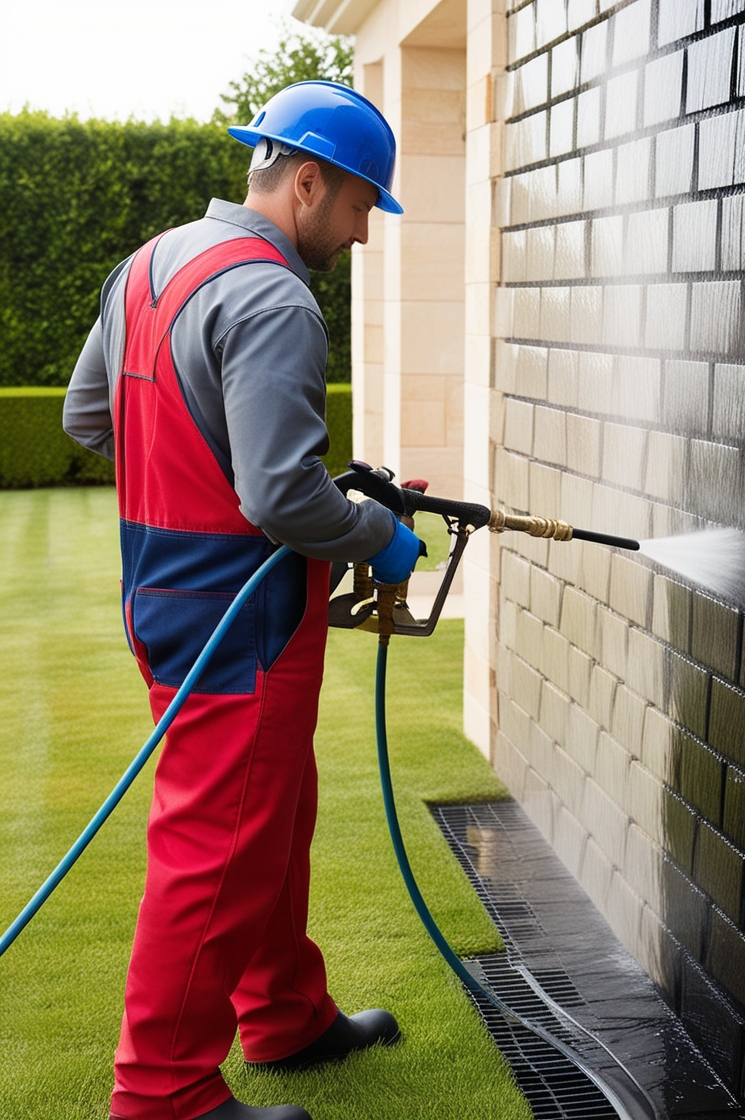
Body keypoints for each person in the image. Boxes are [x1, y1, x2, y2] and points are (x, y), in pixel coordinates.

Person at [63, 81, 421, 1120]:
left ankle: (283, 1014)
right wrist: (381, 537)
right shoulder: (272, 295)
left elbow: (93, 416)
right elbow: (278, 498)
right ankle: (163, 1089)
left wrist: (215, 455)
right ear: (306, 182)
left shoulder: (151, 262)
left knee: (273, 810)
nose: (360, 233)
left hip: (162, 590)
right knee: (217, 841)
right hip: (241, 610)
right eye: (358, 206)